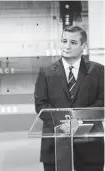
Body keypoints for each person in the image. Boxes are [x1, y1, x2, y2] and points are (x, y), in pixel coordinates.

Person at [34, 25, 104, 171]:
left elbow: (102, 103)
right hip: (55, 144)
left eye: (73, 42)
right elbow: (41, 105)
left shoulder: (98, 71)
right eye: (64, 41)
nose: (67, 46)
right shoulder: (45, 73)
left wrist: (76, 122)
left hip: (90, 145)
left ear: (83, 46)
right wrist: (64, 125)